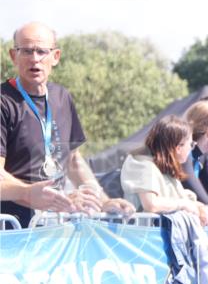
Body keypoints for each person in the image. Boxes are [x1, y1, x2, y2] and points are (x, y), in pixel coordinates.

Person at [1, 21, 134, 227]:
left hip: (55, 225)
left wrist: (103, 200)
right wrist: (28, 193)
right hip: (12, 229)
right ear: (13, 56)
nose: (34, 59)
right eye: (26, 51)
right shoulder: (3, 101)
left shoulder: (62, 97)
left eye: (41, 51)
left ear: (55, 57)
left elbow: (73, 161)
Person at [119, 117, 208, 231]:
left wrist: (202, 208)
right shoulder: (143, 164)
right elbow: (152, 204)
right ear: (178, 148)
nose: (191, 149)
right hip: (141, 240)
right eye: (191, 144)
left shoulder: (164, 169)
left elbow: (182, 199)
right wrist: (183, 204)